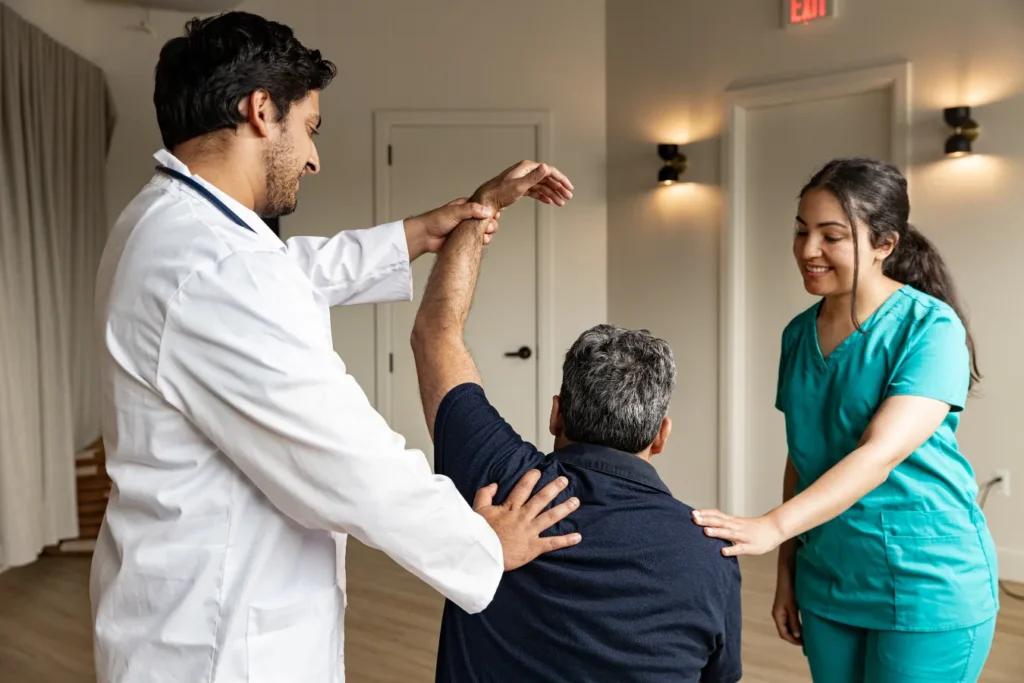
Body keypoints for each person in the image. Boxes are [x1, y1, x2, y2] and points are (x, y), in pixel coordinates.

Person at [90, 12, 580, 683]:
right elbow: (350, 459)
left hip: (176, 606)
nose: (315, 157)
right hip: (219, 644)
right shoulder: (215, 267)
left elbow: (289, 272)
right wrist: (480, 543)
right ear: (262, 111)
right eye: (310, 128)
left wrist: (421, 231)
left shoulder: (168, 225)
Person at [410, 171, 743, 683]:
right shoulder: (712, 552)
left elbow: (437, 334)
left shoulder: (501, 487)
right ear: (661, 434)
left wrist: (481, 211)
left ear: (556, 414)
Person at [692, 157, 999, 682]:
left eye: (831, 235)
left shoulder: (930, 327)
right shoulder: (797, 334)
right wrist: (787, 573)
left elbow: (878, 455)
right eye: (801, 231)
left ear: (885, 244)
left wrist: (770, 527)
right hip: (829, 577)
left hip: (929, 579)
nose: (808, 250)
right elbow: (802, 454)